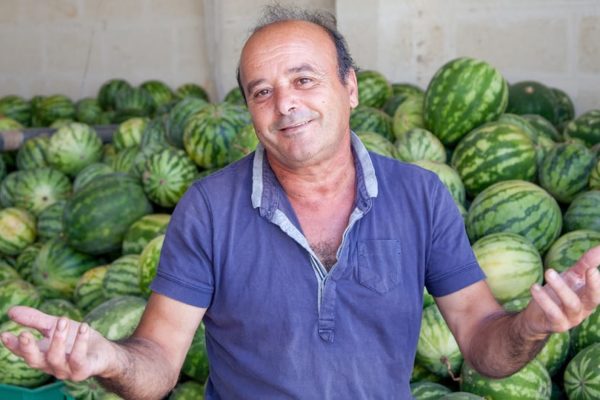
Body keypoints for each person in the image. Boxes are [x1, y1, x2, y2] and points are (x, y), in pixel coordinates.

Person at [1, 5, 600, 400]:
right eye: (263, 91)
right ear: (249, 109)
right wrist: (107, 358)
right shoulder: (208, 208)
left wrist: (535, 325)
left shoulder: (421, 197)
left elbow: (485, 347)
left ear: (351, 86)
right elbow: (157, 363)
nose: (285, 103)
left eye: (305, 79)